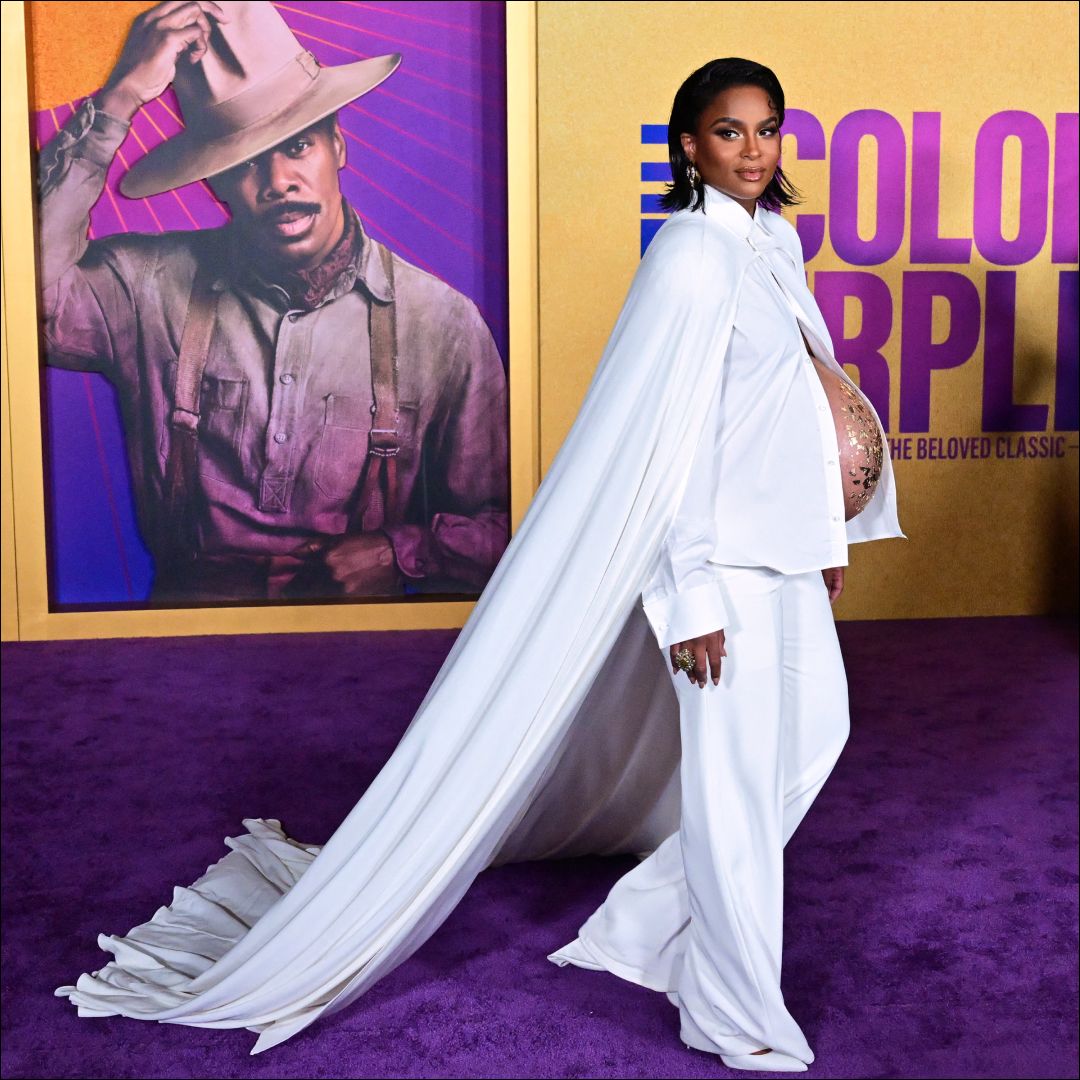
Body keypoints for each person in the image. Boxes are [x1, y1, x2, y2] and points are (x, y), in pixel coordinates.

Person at [56, 57, 905, 1071]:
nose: (755, 151)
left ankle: (640, 932)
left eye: (768, 130)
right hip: (719, 567)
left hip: (785, 551)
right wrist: (690, 599)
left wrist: (825, 531)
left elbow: (788, 398)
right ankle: (734, 1012)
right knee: (728, 783)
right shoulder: (689, 256)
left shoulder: (772, 241)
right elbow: (659, 448)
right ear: (689, 145)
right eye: (731, 133)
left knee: (818, 732)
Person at [37, 0, 509, 604]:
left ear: (338, 147)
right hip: (183, 645)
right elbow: (16, 295)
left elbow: (512, 523)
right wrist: (121, 97)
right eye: (247, 161)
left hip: (365, 647)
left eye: (300, 146)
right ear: (213, 180)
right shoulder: (142, 287)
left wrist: (403, 554)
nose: (280, 181)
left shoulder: (441, 323)